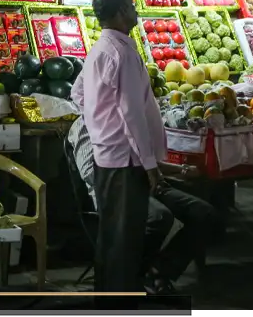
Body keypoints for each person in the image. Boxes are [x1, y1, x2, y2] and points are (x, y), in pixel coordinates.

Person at [70, 0, 167, 293]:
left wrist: (100, 123)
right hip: (125, 159)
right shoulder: (121, 52)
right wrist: (149, 162)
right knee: (125, 240)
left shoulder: (101, 48)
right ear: (122, 11)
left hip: (107, 155)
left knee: (112, 237)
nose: (136, 10)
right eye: (132, 5)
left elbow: (78, 93)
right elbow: (131, 113)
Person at [68, 117, 216, 294]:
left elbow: (146, 161)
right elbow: (90, 173)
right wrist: (139, 179)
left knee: (204, 214)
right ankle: (131, 276)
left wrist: (180, 169)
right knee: (159, 217)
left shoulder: (124, 117)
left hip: (149, 183)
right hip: (115, 192)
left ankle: (159, 270)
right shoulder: (85, 123)